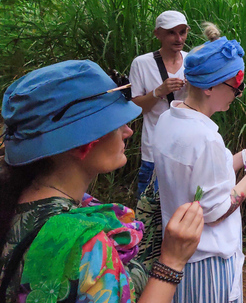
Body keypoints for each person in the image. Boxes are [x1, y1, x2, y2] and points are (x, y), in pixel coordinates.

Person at [0, 60, 203, 303]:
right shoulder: (86, 244)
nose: (128, 132)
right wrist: (172, 261)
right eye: (118, 124)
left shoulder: (16, 201)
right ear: (85, 143)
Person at [153, 23, 246, 303]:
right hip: (208, 261)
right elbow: (216, 210)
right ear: (211, 86)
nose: (239, 94)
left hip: (180, 256)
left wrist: (242, 157)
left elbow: (194, 175)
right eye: (236, 86)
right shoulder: (206, 139)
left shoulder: (169, 119)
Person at [130, 10, 190, 195]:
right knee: (149, 212)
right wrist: (159, 92)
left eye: (182, 32)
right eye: (171, 32)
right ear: (158, 34)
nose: (178, 38)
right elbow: (135, 108)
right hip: (154, 151)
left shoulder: (193, 62)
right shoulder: (142, 63)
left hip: (187, 150)